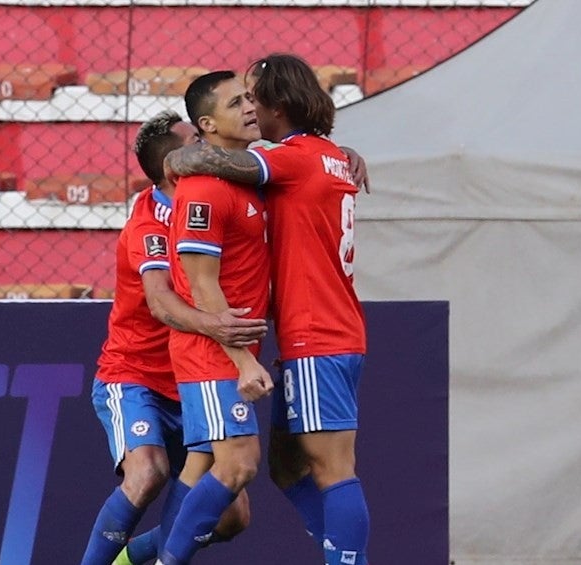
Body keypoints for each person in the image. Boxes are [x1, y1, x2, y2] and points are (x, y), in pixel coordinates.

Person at [163, 53, 370, 565]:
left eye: (253, 96)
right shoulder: (329, 156)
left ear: (277, 104)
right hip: (327, 329)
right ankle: (338, 552)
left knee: (332, 468)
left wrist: (180, 157)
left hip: (317, 335)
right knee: (287, 467)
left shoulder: (293, 159)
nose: (251, 107)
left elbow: (214, 162)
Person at [81, 110, 265, 565]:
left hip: (192, 378)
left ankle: (131, 559)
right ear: (173, 167)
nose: (208, 146)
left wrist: (337, 154)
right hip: (135, 376)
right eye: (196, 144)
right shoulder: (148, 225)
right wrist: (221, 327)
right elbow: (162, 304)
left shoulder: (213, 197)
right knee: (148, 473)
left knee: (231, 517)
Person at [155, 70, 273, 565]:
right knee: (239, 465)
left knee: (213, 484)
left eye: (249, 98)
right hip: (212, 356)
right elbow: (202, 285)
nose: (249, 107)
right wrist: (242, 360)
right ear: (206, 124)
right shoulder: (203, 190)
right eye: (235, 103)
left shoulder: (241, 176)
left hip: (227, 354)